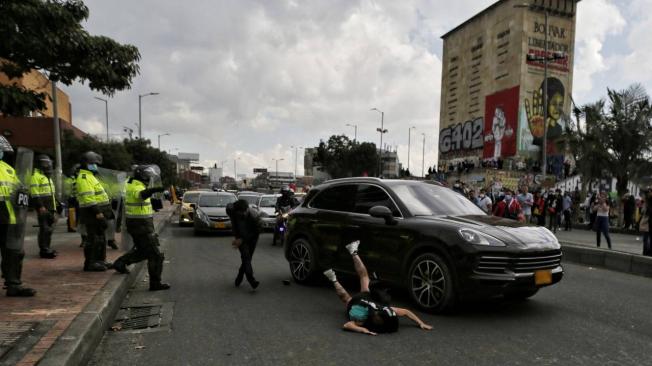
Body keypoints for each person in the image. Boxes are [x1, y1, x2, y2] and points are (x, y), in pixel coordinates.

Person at [323, 240, 432, 335]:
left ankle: (348, 259)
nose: (375, 314)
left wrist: (362, 329)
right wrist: (421, 323)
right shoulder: (377, 317)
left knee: (357, 285)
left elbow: (348, 325)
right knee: (350, 294)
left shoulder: (374, 316)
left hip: (359, 303)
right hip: (360, 302)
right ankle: (334, 276)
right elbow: (406, 312)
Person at [113, 165, 170, 291]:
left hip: (140, 223)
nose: (149, 177)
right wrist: (154, 190)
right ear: (141, 175)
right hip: (140, 225)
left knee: (144, 251)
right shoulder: (135, 185)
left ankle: (120, 262)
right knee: (156, 255)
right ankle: (155, 283)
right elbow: (141, 195)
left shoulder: (133, 183)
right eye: (147, 175)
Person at [0, 137, 36, 296]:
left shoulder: (8, 169)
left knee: (14, 252)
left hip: (9, 219)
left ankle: (13, 284)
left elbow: (20, 191)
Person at [75, 151, 113, 271]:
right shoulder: (84, 178)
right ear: (86, 164)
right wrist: (99, 214)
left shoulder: (91, 177)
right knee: (93, 239)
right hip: (92, 214)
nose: (95, 166)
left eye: (96, 164)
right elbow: (89, 199)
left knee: (101, 239)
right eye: (93, 164)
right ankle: (90, 263)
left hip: (98, 213)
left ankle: (101, 260)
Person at [226, 199, 262, 289]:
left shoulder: (254, 216)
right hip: (240, 236)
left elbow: (257, 231)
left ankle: (240, 276)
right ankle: (251, 280)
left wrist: (242, 239)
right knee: (246, 257)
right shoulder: (232, 211)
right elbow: (229, 209)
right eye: (240, 213)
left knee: (248, 259)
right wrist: (238, 238)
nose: (243, 214)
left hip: (252, 237)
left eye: (245, 212)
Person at [29, 154, 58, 258]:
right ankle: (44, 250)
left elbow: (51, 194)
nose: (47, 165)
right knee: (44, 229)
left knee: (49, 229)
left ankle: (47, 248)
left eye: (48, 163)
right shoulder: (35, 176)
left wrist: (55, 208)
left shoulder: (47, 177)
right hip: (43, 207)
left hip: (50, 207)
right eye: (45, 163)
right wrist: (40, 206)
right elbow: (35, 194)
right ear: (39, 164)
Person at [641, 191, 650, 256]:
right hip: (647, 222)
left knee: (646, 239)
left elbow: (644, 211)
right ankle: (646, 252)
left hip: (648, 222)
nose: (642, 197)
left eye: (643, 195)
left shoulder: (647, 203)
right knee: (646, 238)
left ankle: (646, 252)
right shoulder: (646, 203)